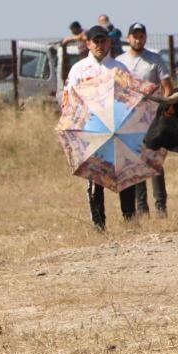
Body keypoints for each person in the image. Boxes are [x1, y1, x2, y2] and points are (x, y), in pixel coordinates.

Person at [64, 26, 123, 230]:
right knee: (94, 177)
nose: (99, 45)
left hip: (117, 129)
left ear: (109, 42)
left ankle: (130, 219)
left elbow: (131, 97)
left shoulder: (119, 68)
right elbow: (69, 98)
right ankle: (99, 224)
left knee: (123, 174)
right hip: (91, 129)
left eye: (103, 41)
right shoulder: (79, 69)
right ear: (88, 43)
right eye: (95, 42)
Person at [115, 23, 171, 218]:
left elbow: (167, 86)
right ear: (129, 38)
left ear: (145, 37)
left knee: (155, 160)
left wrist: (165, 109)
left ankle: (161, 206)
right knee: (136, 162)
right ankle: (142, 208)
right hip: (129, 119)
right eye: (134, 36)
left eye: (141, 36)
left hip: (153, 118)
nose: (138, 39)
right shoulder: (120, 62)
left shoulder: (154, 59)